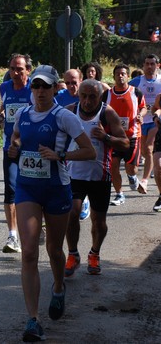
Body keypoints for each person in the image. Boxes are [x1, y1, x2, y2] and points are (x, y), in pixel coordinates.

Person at [8, 65, 95, 342]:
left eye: (45, 86)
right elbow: (16, 140)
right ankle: (33, 320)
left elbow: (89, 151)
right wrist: (14, 149)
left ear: (55, 87)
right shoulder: (23, 114)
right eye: (36, 86)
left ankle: (58, 287)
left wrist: (60, 156)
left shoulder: (63, 117)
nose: (40, 91)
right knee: (30, 252)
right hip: (27, 189)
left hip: (57, 189)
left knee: (54, 250)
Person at [64, 80, 129, 279]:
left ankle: (94, 253)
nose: (87, 101)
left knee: (98, 221)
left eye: (92, 96)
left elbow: (125, 143)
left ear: (100, 97)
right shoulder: (68, 111)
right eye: (84, 96)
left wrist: (106, 138)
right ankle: (73, 254)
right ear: (78, 95)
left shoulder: (107, 113)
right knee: (72, 212)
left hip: (99, 175)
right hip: (73, 174)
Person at [0, 54, 32, 253]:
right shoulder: (4, 87)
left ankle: (37, 222)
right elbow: (5, 105)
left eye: (19, 69)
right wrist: (1, 116)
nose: (15, 73)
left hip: (31, 149)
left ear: (27, 70)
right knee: (10, 189)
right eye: (12, 68)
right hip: (10, 147)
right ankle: (13, 236)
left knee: (31, 188)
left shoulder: (34, 90)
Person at [103, 63, 146, 205]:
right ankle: (119, 194)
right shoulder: (107, 94)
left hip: (132, 136)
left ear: (128, 76)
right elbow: (101, 111)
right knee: (113, 165)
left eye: (123, 74)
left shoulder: (136, 92)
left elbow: (143, 107)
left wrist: (141, 115)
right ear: (114, 76)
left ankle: (132, 176)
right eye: (118, 74)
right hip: (114, 137)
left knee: (131, 167)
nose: (120, 76)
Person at [55, 69, 91, 221]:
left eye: (74, 83)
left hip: (85, 138)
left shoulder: (89, 96)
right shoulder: (59, 97)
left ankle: (85, 200)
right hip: (66, 141)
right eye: (67, 83)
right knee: (67, 174)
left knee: (82, 174)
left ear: (81, 81)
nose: (70, 86)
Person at [129, 54, 161, 194]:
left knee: (148, 148)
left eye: (152, 64)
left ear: (157, 66)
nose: (149, 67)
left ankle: (145, 180)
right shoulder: (137, 81)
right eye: (147, 64)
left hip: (156, 121)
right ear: (143, 65)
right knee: (143, 150)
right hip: (140, 120)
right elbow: (124, 92)